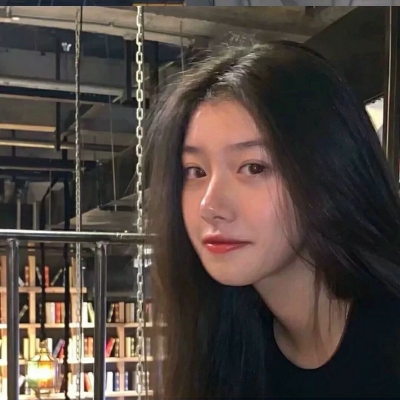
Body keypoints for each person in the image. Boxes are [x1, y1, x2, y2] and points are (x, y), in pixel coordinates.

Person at [144, 41, 400, 398]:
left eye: (253, 167)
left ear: (330, 171)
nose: (210, 205)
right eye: (195, 171)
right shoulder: (224, 342)